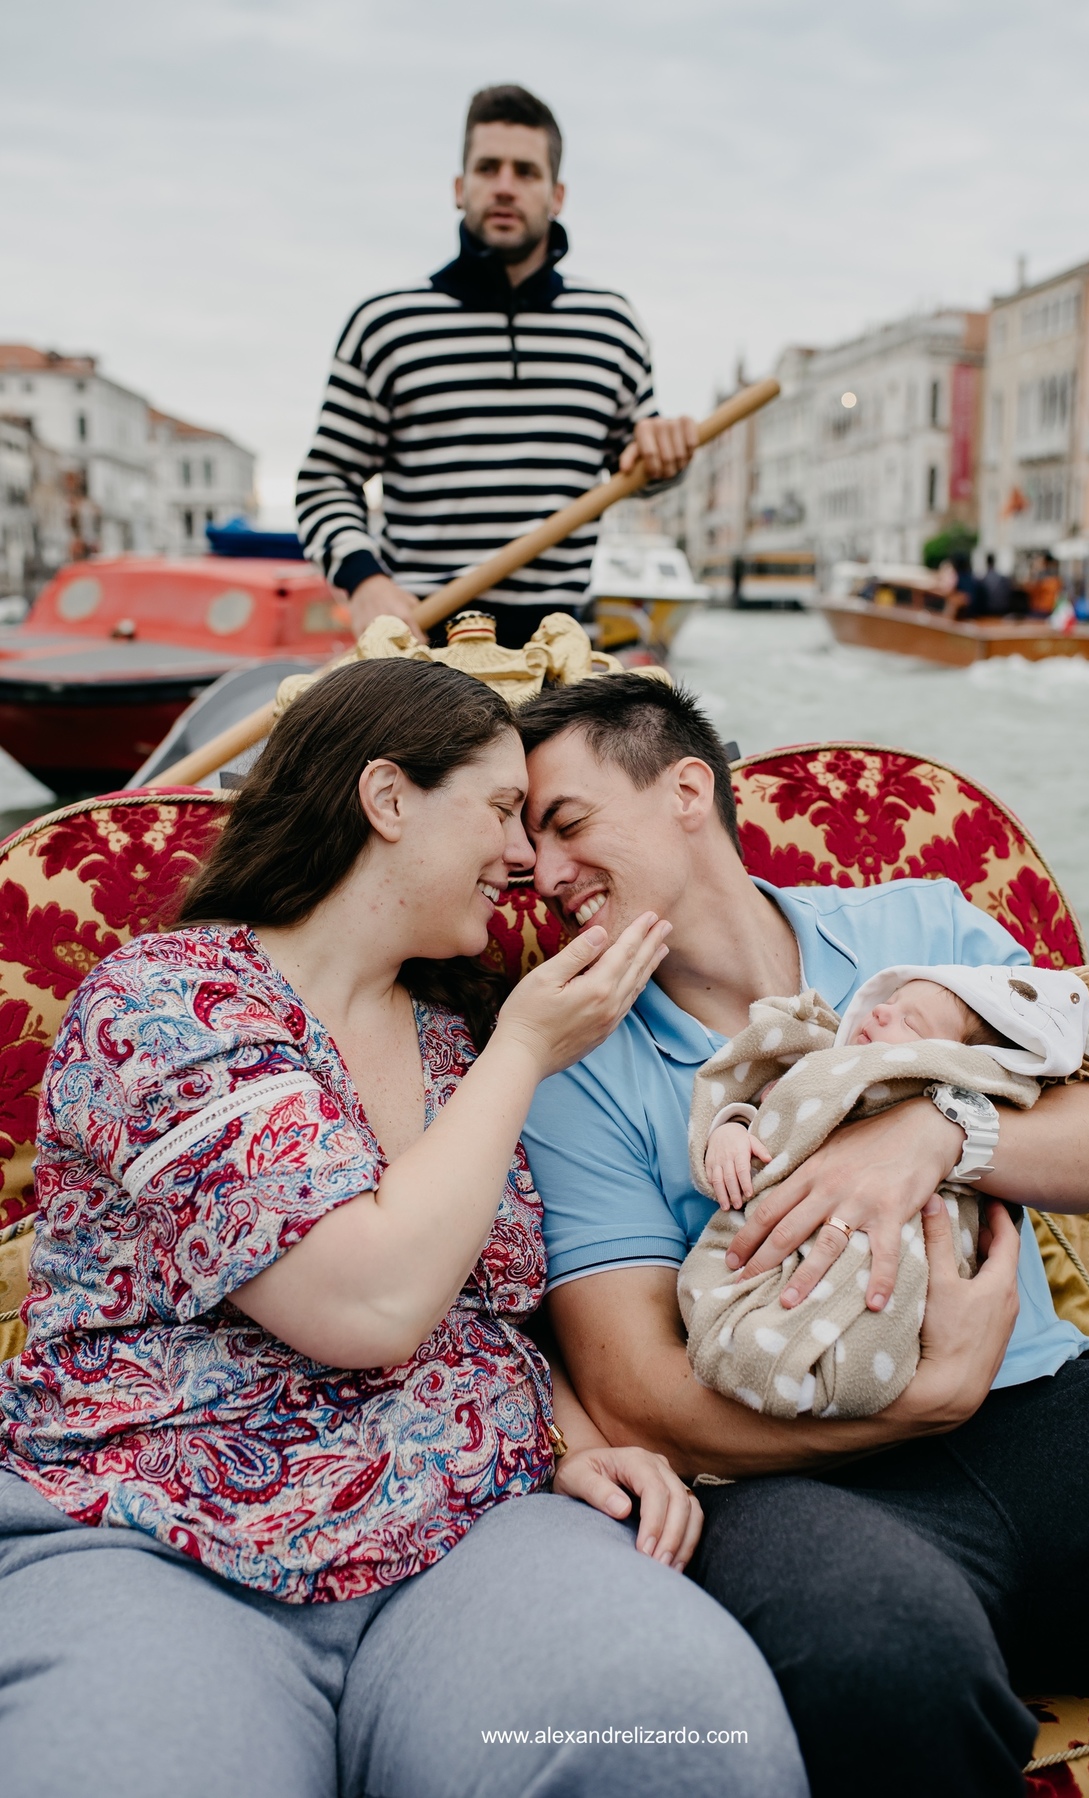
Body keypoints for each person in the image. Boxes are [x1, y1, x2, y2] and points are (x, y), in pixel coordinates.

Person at [0, 659, 805, 1798]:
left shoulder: (453, 1039)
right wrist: (528, 1049)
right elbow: (367, 1304)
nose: (526, 859)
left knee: (676, 1739)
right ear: (386, 799)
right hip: (157, 1535)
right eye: (496, 811)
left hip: (475, 1539)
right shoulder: (168, 1002)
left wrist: (577, 1440)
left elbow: (492, 1312)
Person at [513, 672, 1089, 1798]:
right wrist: (924, 1404)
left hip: (1059, 1409)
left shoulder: (920, 925)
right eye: (529, 846)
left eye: (569, 824)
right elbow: (634, 1390)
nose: (544, 876)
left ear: (688, 789)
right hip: (803, 1481)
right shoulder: (573, 1065)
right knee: (878, 1661)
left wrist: (936, 1133)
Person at [296, 84, 697, 648]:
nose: (505, 186)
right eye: (489, 168)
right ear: (461, 188)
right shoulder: (387, 325)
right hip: (423, 647)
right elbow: (325, 481)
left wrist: (667, 452)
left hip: (555, 648)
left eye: (526, 172)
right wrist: (365, 582)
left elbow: (641, 467)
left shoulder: (611, 326)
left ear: (556, 195)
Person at [684, 964, 1089, 1422]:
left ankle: (833, 1369)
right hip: (781, 1246)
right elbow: (767, 1114)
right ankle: (772, 1357)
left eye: (909, 1022)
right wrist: (731, 1129)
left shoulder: (967, 1099)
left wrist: (942, 1130)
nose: (879, 1013)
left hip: (996, 1351)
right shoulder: (816, 1068)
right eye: (887, 1004)